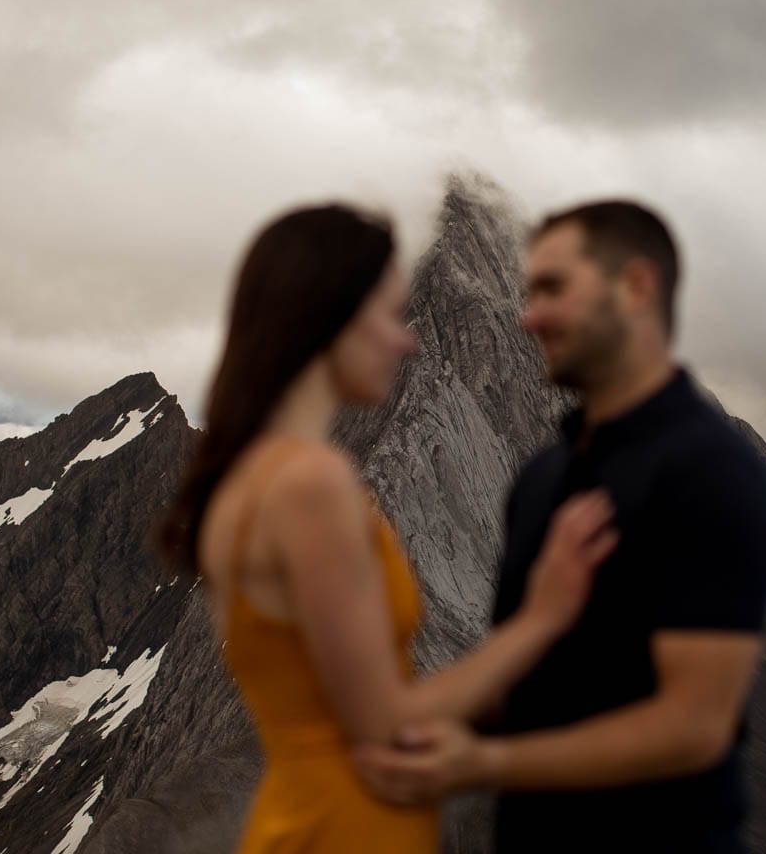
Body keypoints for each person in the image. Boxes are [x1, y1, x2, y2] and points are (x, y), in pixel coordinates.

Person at [151, 203, 618, 854]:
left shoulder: (246, 480)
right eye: (388, 315)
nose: (407, 340)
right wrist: (543, 615)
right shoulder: (312, 486)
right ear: (330, 318)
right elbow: (384, 725)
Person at [354, 201, 766, 853]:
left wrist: (484, 765)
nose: (529, 317)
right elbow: (520, 689)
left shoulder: (712, 471)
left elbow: (695, 726)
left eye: (553, 289)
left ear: (636, 288)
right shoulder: (541, 480)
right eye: (528, 293)